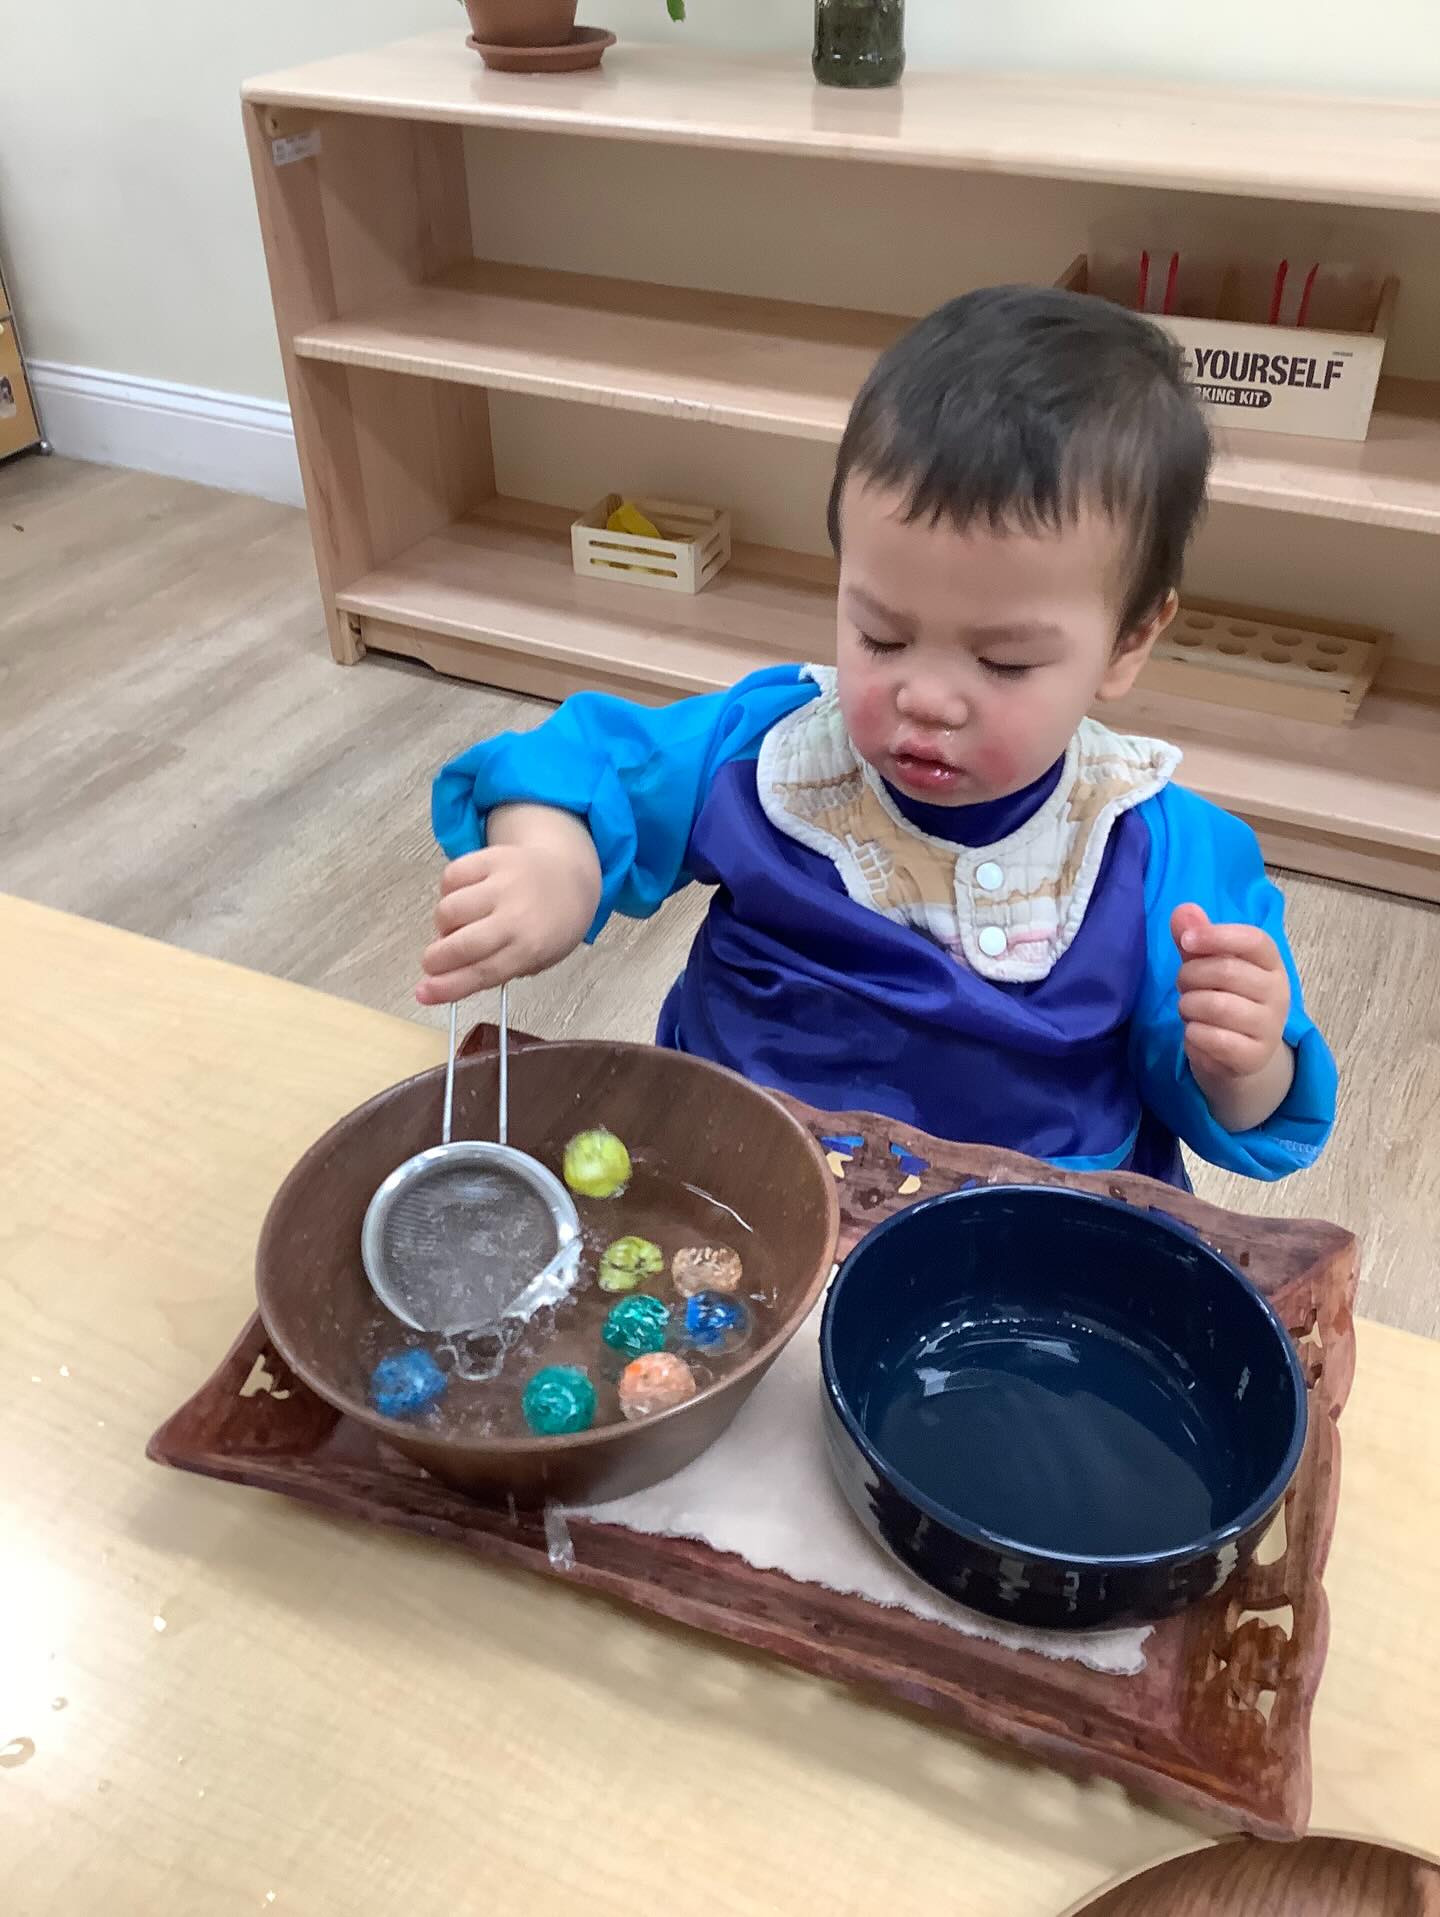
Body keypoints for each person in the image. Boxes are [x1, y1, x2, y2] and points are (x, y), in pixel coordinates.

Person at [419, 286, 1336, 1188]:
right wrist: (554, 863)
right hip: (737, 1174)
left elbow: (1241, 1110)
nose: (927, 698)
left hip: (1020, 1226)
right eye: (882, 637)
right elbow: (577, 763)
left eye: (1005, 662)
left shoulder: (1156, 848)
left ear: (1129, 642)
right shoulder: (769, 749)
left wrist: (1243, 1062)